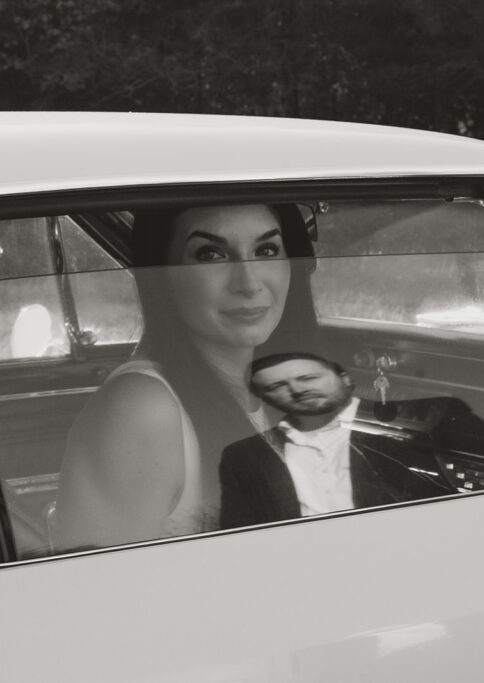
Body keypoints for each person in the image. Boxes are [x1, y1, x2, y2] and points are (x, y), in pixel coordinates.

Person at [53, 203, 318, 551]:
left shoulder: (271, 389)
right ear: (160, 273)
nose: (249, 283)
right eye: (211, 254)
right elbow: (100, 595)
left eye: (266, 250)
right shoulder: (142, 408)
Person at [219, 352, 484, 530]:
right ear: (264, 398)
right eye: (277, 386)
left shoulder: (432, 418)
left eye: (308, 378)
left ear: (345, 379)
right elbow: (238, 531)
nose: (296, 389)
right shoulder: (245, 455)